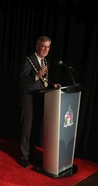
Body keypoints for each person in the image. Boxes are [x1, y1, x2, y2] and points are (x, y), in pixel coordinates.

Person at [18, 35, 60, 168]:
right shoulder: (28, 60)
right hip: (28, 99)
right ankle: (23, 157)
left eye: (48, 47)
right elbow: (22, 83)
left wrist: (52, 85)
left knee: (36, 128)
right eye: (43, 46)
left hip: (40, 98)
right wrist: (36, 75)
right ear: (37, 46)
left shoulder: (45, 62)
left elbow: (44, 82)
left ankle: (32, 154)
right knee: (27, 128)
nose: (46, 49)